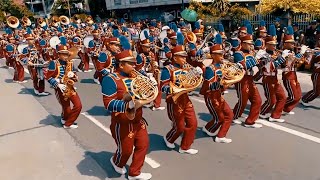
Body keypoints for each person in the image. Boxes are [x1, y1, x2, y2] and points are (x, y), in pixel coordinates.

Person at [101, 36, 152, 180]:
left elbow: (147, 93)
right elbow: (108, 104)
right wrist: (130, 104)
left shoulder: (136, 76)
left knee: (143, 144)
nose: (134, 66)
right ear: (121, 65)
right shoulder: (110, 79)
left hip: (138, 119)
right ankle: (116, 161)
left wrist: (151, 84)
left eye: (134, 63)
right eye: (130, 64)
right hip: (122, 122)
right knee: (126, 150)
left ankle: (134, 173)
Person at [160, 32, 202, 154]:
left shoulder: (186, 66)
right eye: (182, 57)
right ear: (174, 58)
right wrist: (173, 88)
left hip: (185, 98)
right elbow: (163, 87)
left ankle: (185, 147)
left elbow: (193, 79)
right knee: (179, 127)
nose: (185, 59)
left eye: (185, 56)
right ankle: (169, 138)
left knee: (193, 123)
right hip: (174, 100)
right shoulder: (168, 70)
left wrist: (197, 73)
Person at [200, 34, 233, 143]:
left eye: (222, 54)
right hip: (211, 97)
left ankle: (214, 132)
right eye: (219, 54)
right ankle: (216, 133)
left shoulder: (221, 66)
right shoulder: (210, 69)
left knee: (229, 114)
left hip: (218, 95)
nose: (222, 56)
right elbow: (208, 86)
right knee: (219, 118)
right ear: (213, 56)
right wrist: (223, 84)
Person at [45, 41, 82, 129]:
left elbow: (75, 76)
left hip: (70, 87)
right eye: (63, 54)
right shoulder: (54, 63)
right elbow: (48, 77)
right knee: (67, 108)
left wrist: (73, 75)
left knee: (78, 105)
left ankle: (68, 122)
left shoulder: (70, 63)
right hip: (60, 88)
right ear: (59, 54)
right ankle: (66, 120)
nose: (66, 57)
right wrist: (58, 84)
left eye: (67, 54)